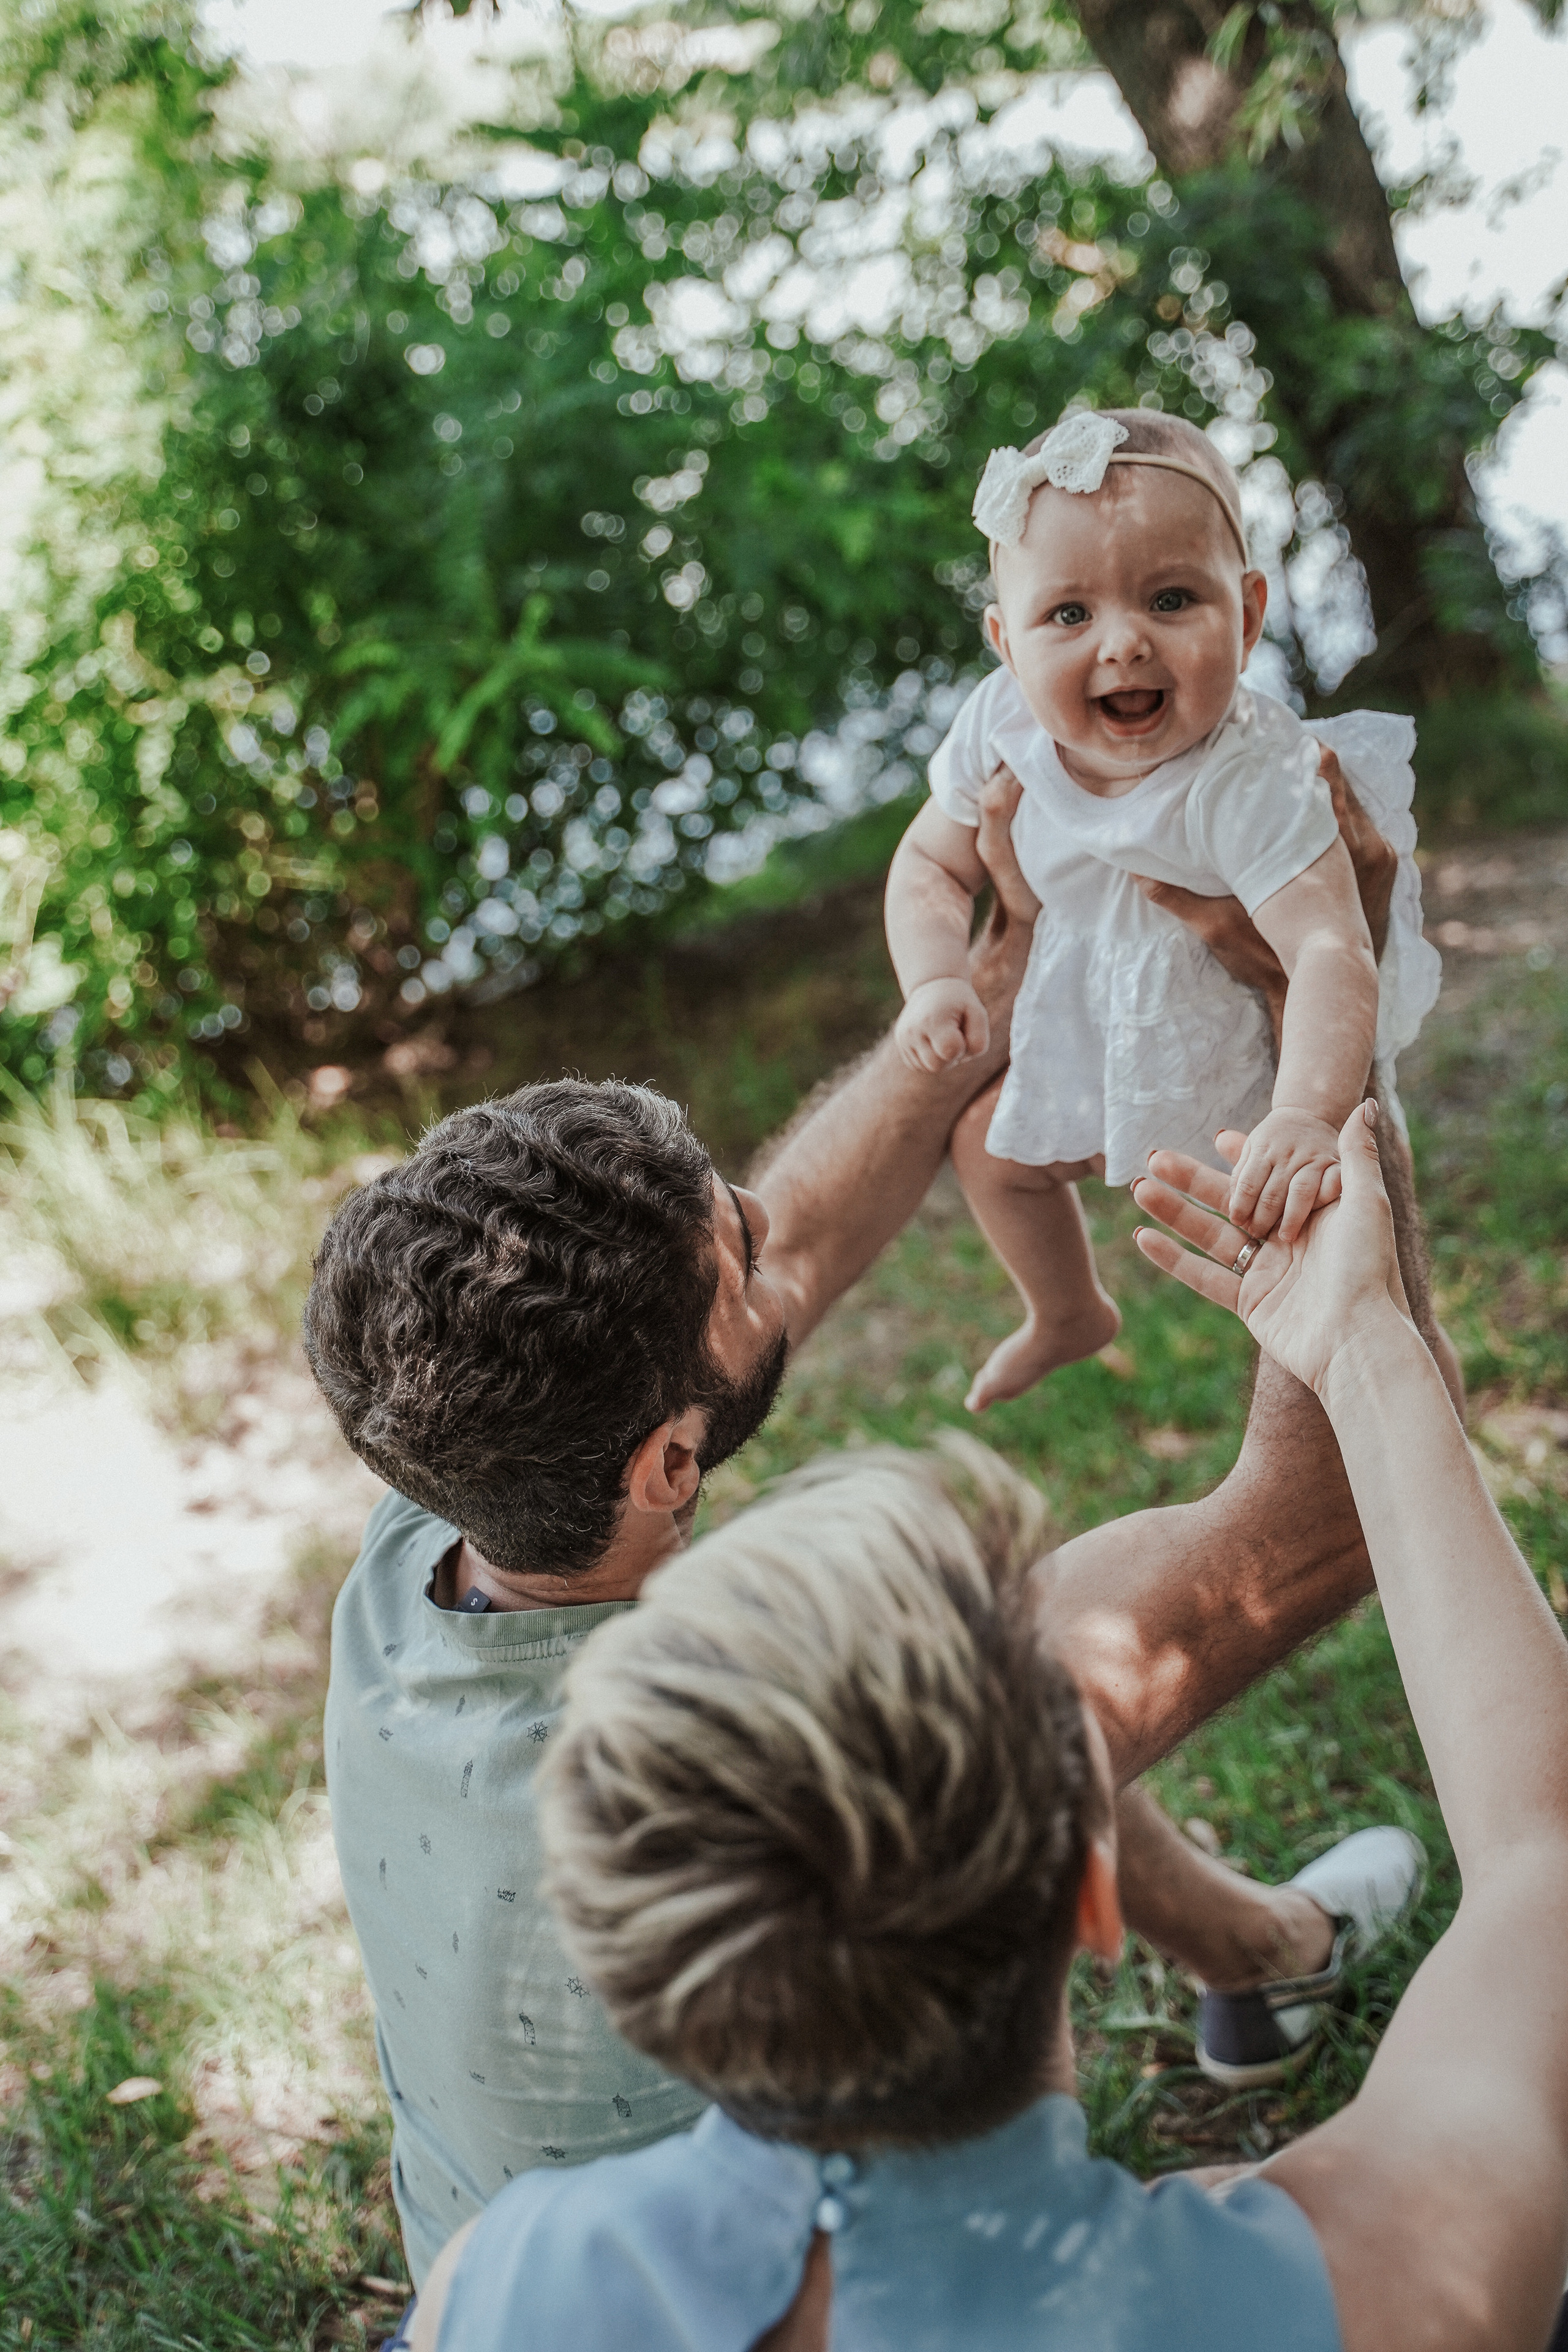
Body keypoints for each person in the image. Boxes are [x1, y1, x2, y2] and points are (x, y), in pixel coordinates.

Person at [303, 772, 1430, 2288]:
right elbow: (1318, 1518)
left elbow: (795, 1236)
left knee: (1021, 1716)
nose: (773, 1231)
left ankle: (1257, 1956)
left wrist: (974, 995)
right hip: (791, 2313)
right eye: (740, 1255)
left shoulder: (433, 1494)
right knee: (1006, 1704)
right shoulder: (805, 1743)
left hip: (509, 2300)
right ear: (665, 1468)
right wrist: (1326, 1023)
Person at [405, 1099, 1568, 2352]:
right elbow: (1542, 1861)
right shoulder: (1378, 2289)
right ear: (1093, 1890)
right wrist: (1362, 1341)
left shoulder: (502, 2285)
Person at [883, 405, 1441, 1408]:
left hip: (1251, 1033)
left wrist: (1307, 1115)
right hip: (1094, 1000)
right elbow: (930, 863)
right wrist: (932, 979)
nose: (1124, 645)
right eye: (1069, 616)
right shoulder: (1001, 724)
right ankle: (1065, 1312)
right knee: (986, 1150)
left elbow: (1325, 947)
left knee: (1310, 1222)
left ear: (1250, 612)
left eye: (1172, 599)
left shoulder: (1251, 774)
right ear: (1005, 643)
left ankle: (1381, 1379)